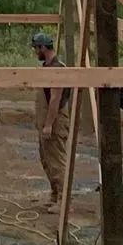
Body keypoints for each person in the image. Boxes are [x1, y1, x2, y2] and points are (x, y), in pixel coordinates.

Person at [32, 31, 71, 208]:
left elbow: (55, 98)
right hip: (46, 121)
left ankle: (63, 201)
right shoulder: (47, 67)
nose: (35, 52)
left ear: (43, 47)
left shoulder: (57, 68)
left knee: (57, 161)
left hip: (55, 121)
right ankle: (55, 195)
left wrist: (48, 124)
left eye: (36, 48)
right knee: (47, 160)